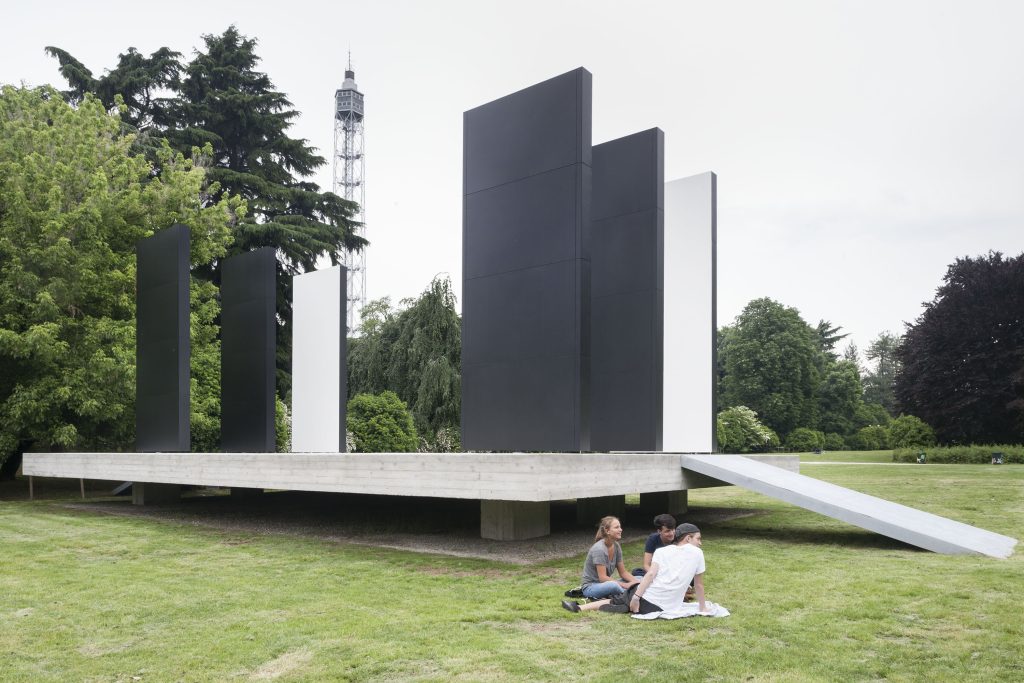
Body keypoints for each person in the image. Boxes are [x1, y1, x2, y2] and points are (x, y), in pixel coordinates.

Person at [561, 516, 638, 612]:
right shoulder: (599, 549)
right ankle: (632, 596)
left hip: (605, 584)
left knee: (639, 577)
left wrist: (636, 583)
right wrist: (625, 585)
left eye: (620, 527)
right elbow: (603, 578)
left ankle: (632, 593)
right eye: (617, 527)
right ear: (607, 530)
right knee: (613, 586)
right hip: (591, 587)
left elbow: (623, 572)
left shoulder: (616, 546)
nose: (620, 530)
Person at [629, 523, 709, 616]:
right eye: (698, 539)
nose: (700, 543)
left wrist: (636, 598)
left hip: (646, 601)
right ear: (688, 538)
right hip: (659, 605)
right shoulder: (698, 553)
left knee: (623, 595)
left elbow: (651, 574)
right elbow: (698, 584)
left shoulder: (661, 551)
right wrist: (703, 607)